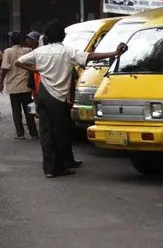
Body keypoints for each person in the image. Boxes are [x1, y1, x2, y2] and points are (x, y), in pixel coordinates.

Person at [15, 20, 128, 178]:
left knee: (46, 133)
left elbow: (18, 62)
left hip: (43, 95)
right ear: (62, 35)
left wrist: (36, 70)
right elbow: (91, 56)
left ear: (46, 35)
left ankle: (48, 168)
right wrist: (114, 54)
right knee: (60, 133)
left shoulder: (39, 52)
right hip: (59, 97)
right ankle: (60, 167)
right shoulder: (67, 52)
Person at [0, 31, 39, 140]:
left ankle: (20, 134)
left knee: (16, 111)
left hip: (13, 86)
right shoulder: (27, 50)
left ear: (11, 41)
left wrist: (1, 82)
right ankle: (33, 133)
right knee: (28, 111)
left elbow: (5, 69)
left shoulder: (7, 52)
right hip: (26, 85)